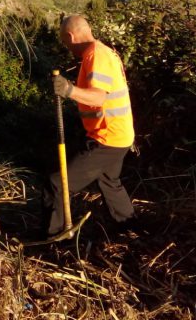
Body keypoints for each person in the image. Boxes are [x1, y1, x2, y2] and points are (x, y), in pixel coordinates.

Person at [44, 13, 136, 237]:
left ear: (70, 36)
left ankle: (54, 236)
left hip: (108, 139)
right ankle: (129, 228)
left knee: (57, 184)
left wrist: (68, 90)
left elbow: (97, 98)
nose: (67, 48)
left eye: (66, 43)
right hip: (119, 136)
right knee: (109, 181)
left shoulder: (96, 55)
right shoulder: (104, 52)